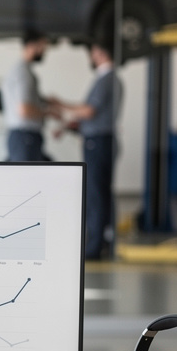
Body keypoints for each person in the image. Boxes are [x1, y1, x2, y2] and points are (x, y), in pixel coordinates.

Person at [57, 40, 123, 260]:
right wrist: (67, 125)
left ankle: (94, 247)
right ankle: (102, 240)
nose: (92, 56)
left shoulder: (105, 79)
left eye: (93, 51)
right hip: (102, 141)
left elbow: (89, 112)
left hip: (98, 142)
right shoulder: (112, 79)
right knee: (101, 192)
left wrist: (61, 105)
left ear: (102, 52)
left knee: (95, 194)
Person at [1, 28, 59, 162]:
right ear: (33, 45)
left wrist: (45, 101)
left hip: (23, 137)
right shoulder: (24, 74)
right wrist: (48, 113)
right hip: (25, 137)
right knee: (25, 179)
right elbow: (25, 109)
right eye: (43, 46)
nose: (45, 51)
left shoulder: (20, 71)